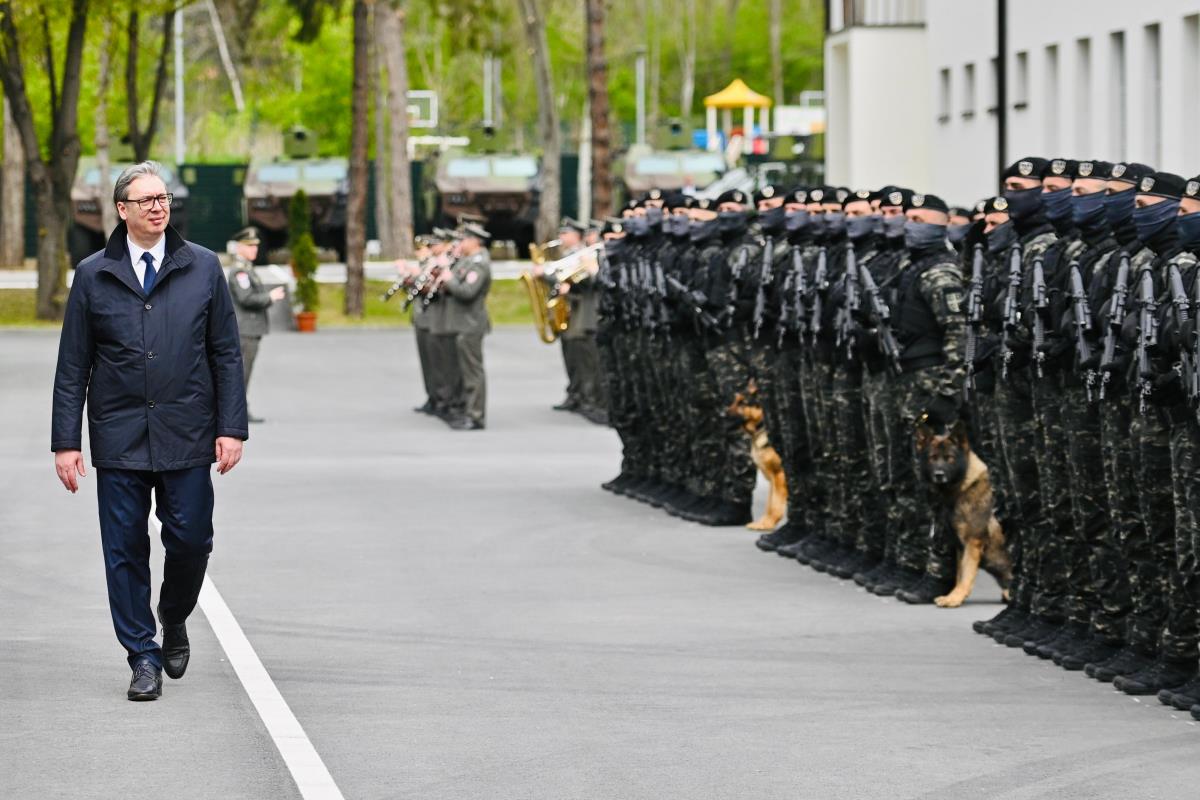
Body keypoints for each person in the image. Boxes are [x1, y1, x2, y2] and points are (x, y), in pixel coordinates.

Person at [51, 161, 247, 701]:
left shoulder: (203, 267)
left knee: (191, 539)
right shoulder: (94, 274)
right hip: (118, 435)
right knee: (124, 549)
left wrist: (232, 428)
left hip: (187, 430)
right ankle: (142, 655)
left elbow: (226, 354)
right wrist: (66, 442)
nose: (158, 207)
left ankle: (174, 612)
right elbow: (74, 365)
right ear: (122, 210)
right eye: (146, 200)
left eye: (163, 198)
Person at [436, 223, 492, 430]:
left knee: (472, 373)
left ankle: (476, 416)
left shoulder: (479, 263)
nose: (460, 244)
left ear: (474, 241)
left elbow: (467, 292)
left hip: (470, 323)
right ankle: (466, 410)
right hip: (461, 322)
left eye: (464, 240)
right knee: (463, 372)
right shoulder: (467, 261)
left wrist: (447, 275)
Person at [227, 226, 285, 423]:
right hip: (246, 330)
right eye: (250, 246)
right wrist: (270, 297)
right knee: (242, 373)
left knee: (245, 372)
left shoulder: (247, 269)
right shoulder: (240, 272)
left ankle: (239, 410)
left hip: (250, 329)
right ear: (240, 248)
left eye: (255, 246)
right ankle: (237, 413)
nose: (254, 250)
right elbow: (246, 298)